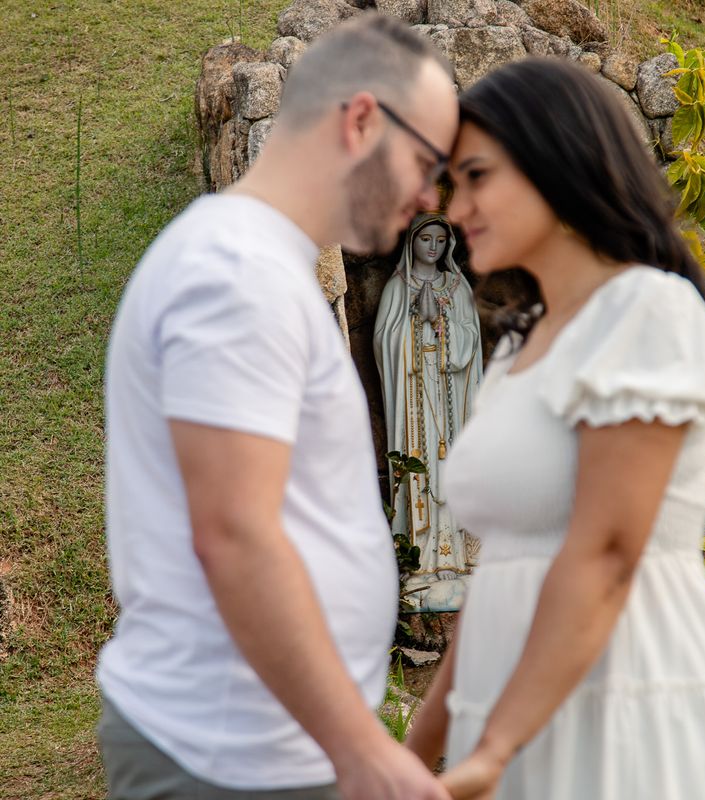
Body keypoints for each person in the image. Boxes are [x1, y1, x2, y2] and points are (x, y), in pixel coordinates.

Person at [404, 57, 705, 800]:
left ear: (559, 162)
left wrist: (493, 747)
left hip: (627, 711)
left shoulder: (647, 311)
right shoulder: (520, 346)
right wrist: (413, 754)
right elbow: (503, 570)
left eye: (477, 176)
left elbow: (609, 552)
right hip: (512, 725)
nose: (454, 211)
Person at [96, 13, 458, 800]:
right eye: (428, 162)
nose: (432, 197)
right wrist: (362, 748)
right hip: (230, 761)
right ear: (363, 118)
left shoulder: (265, 265)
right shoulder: (236, 272)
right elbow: (235, 533)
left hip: (262, 752)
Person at [374, 213, 482, 611]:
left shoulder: (458, 287)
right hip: (415, 400)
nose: (433, 248)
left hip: (452, 399)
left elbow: (472, 341)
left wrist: (445, 325)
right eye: (426, 240)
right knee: (423, 473)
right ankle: (420, 562)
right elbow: (385, 343)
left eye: (440, 240)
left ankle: (455, 559)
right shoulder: (396, 288)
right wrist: (414, 324)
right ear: (412, 243)